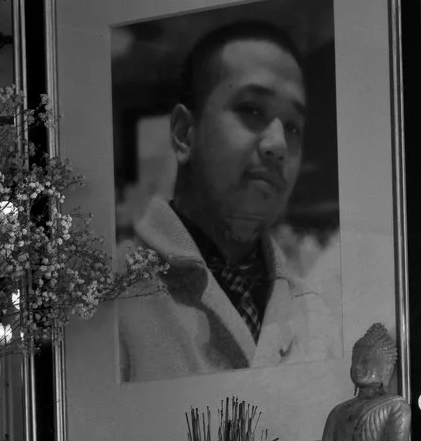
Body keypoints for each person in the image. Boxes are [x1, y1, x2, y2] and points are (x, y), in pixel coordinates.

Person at [115, 20, 343, 385]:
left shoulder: (316, 314)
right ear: (184, 133)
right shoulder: (115, 295)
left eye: (293, 127)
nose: (279, 144)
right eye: (251, 109)